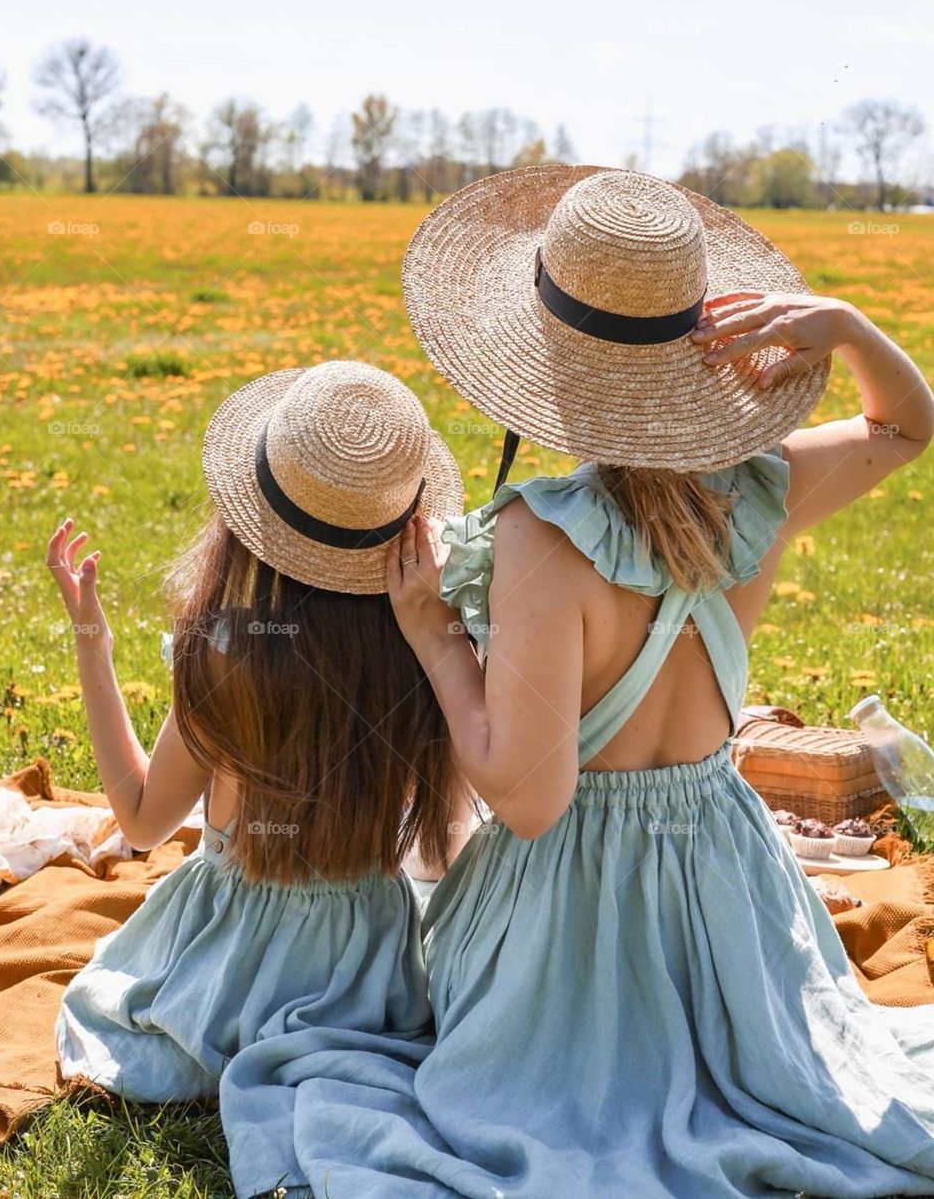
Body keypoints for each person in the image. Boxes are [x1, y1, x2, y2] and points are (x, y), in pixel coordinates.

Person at [385, 167, 934, 1197]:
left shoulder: (538, 543)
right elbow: (910, 425)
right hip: (729, 892)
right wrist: (850, 328)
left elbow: (534, 803)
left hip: (572, 919)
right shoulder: (765, 488)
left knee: (539, 1076)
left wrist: (433, 635)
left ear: (547, 364)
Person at [49, 360, 468, 1199]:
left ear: (251, 522)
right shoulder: (427, 654)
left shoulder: (229, 654)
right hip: (368, 981)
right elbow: (449, 846)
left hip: (225, 977)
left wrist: (92, 645)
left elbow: (137, 821)